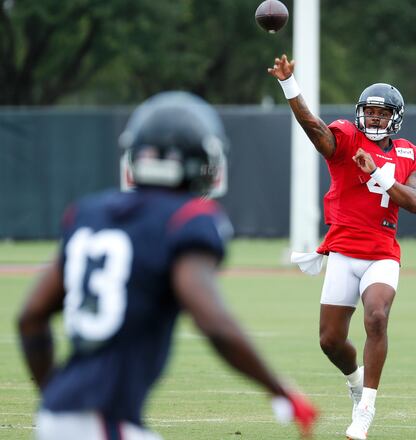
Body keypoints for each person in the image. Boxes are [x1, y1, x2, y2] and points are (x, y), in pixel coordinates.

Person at [16, 91, 317, 440]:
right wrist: (279, 388)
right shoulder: (187, 218)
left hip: (63, 415)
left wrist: (56, 396)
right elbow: (213, 322)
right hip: (104, 420)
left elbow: (31, 316)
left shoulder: (89, 212)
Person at [267, 54, 416, 439]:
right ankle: (355, 382)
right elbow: (315, 129)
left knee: (376, 317)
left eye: (380, 114)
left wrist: (381, 177)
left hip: (382, 255)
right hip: (343, 251)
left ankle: (367, 408)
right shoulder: (345, 138)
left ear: (395, 118)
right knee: (330, 341)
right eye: (368, 112)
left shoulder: (409, 153)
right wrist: (290, 87)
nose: (373, 119)